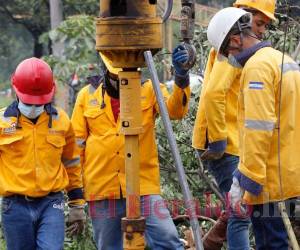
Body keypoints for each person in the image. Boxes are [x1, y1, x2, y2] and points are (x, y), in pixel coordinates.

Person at [71, 46, 191, 250]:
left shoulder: (149, 88)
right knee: (109, 247)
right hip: (102, 188)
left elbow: (176, 111)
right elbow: (76, 147)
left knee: (168, 240)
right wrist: (76, 195)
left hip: (143, 186)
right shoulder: (86, 95)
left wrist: (181, 77)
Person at [207, 7, 300, 249]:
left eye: (227, 52)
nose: (229, 59)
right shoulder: (282, 60)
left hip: (271, 183)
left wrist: (246, 181)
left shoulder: (256, 68)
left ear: (236, 40)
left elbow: (259, 130)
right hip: (290, 175)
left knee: (271, 245)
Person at [192, 1, 275, 249]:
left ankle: (209, 244)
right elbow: (213, 94)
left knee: (238, 206)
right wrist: (218, 142)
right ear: (242, 23)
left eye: (264, 25)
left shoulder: (240, 49)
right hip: (225, 143)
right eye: (259, 24)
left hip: (232, 140)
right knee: (240, 212)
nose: (261, 31)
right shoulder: (233, 48)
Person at [0, 57, 86, 250]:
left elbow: (72, 163)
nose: (32, 107)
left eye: (37, 103)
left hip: (51, 203)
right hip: (15, 206)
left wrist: (77, 205)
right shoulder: (2, 123)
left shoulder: (61, 121)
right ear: (16, 90)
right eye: (28, 101)